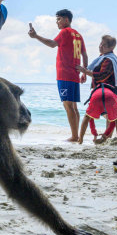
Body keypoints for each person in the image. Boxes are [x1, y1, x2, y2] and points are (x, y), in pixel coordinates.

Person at [28, 9, 88, 142]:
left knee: (68, 106)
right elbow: (84, 54)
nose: (57, 22)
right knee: (74, 107)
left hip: (65, 75)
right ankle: (76, 135)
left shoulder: (65, 32)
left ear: (66, 19)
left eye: (59, 19)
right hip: (75, 75)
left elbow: (52, 44)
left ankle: (74, 136)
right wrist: (84, 72)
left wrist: (36, 36)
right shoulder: (78, 35)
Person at [75, 35, 117, 141]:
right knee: (107, 113)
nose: (100, 46)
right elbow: (94, 70)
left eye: (104, 45)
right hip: (102, 89)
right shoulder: (103, 56)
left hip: (110, 89)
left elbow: (101, 75)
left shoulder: (108, 60)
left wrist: (84, 71)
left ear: (111, 48)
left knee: (109, 113)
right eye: (100, 44)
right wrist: (85, 74)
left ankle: (108, 137)